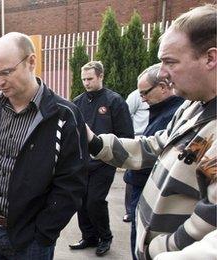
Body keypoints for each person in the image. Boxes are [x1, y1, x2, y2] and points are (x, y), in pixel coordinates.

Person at [86, 4, 216, 260]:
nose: (163, 74)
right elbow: (154, 147)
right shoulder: (193, 106)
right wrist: (94, 142)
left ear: (210, 58)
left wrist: (161, 250)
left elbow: (211, 220)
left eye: (170, 62)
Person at [0, 32, 88, 259]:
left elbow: (72, 182)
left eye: (6, 72)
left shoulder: (64, 115)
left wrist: (44, 231)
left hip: (30, 242)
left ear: (31, 62)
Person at [69, 61, 134, 256]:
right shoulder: (77, 102)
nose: (86, 83)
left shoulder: (114, 101)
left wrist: (119, 158)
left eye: (90, 79)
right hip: (82, 163)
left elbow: (125, 135)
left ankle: (105, 237)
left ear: (100, 77)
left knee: (94, 201)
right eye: (83, 79)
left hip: (104, 162)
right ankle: (89, 237)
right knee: (80, 201)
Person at [124, 63, 185, 260]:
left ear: (163, 87)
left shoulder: (173, 115)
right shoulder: (163, 111)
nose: (142, 99)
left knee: (143, 242)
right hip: (142, 186)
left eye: (145, 93)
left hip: (150, 188)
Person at [123, 89, 149, 222]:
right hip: (139, 139)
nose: (144, 98)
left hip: (155, 137)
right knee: (132, 176)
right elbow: (125, 115)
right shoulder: (135, 96)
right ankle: (129, 211)